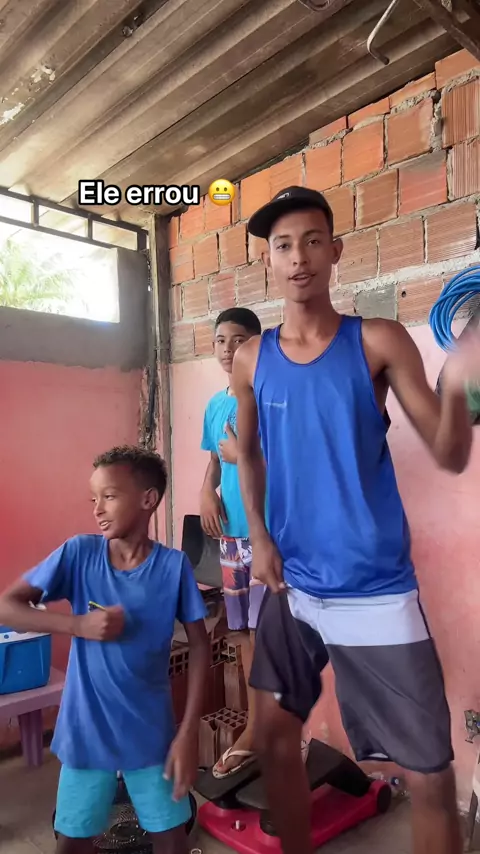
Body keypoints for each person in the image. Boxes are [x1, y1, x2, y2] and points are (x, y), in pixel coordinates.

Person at [231, 185, 480, 854]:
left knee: (429, 777)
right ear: (268, 261)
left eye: (313, 241)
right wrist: (258, 536)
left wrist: (461, 379)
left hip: (373, 591)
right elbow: (246, 453)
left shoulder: (376, 341)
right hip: (291, 585)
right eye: (284, 246)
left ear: (336, 251)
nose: (299, 257)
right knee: (274, 739)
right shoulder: (252, 359)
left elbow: (449, 452)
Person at [0, 446, 209, 854]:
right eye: (93, 498)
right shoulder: (80, 553)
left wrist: (188, 733)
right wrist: (76, 625)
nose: (97, 509)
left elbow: (200, 645)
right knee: (73, 843)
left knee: (172, 841)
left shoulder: (173, 567)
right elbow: (8, 605)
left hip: (151, 735)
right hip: (86, 731)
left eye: (109, 496)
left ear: (148, 499)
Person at [199, 306, 266, 778]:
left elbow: (291, 460)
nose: (228, 349)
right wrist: (207, 491)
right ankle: (256, 728)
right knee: (241, 633)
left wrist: (241, 454)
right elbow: (213, 461)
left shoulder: (268, 397)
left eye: (239, 340)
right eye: (221, 340)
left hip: (266, 534)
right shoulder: (214, 405)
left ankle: (270, 729)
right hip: (233, 540)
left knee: (268, 635)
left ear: (256, 345)